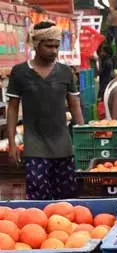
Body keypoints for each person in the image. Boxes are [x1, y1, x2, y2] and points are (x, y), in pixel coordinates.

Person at [6, 21, 84, 200]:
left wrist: (82, 137)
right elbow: (12, 109)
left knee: (67, 197)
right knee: (38, 196)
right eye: (49, 46)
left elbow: (74, 104)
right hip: (35, 147)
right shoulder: (20, 72)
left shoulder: (65, 72)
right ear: (36, 44)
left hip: (64, 146)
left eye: (56, 46)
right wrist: (12, 144)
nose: (54, 51)